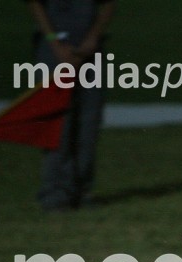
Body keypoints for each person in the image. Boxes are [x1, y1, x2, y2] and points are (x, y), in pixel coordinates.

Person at [26, 0, 115, 211]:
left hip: (91, 50)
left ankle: (81, 190)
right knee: (58, 124)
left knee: (89, 120)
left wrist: (93, 37)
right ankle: (55, 192)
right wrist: (54, 43)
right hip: (52, 49)